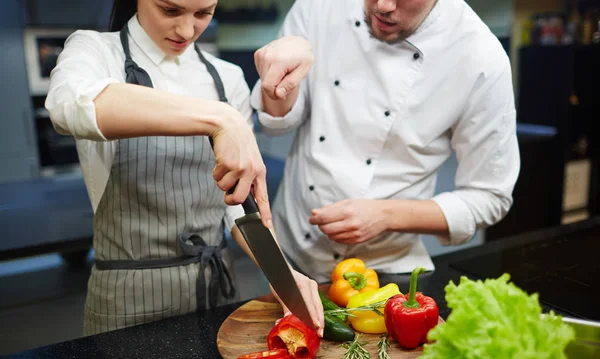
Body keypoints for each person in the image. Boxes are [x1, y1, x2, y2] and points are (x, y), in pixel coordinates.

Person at [45, 0, 323, 336]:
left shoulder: (226, 77)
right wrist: (219, 117)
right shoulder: (96, 51)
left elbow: (237, 207)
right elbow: (68, 106)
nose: (187, 30)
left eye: (203, 13)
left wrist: (282, 272)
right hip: (127, 299)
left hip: (217, 288)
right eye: (171, 11)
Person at [250, 0, 520, 283]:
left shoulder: (480, 57)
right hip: (288, 252)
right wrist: (277, 80)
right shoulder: (319, 6)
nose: (383, 6)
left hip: (385, 269)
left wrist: (386, 215)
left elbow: (490, 195)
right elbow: (277, 123)